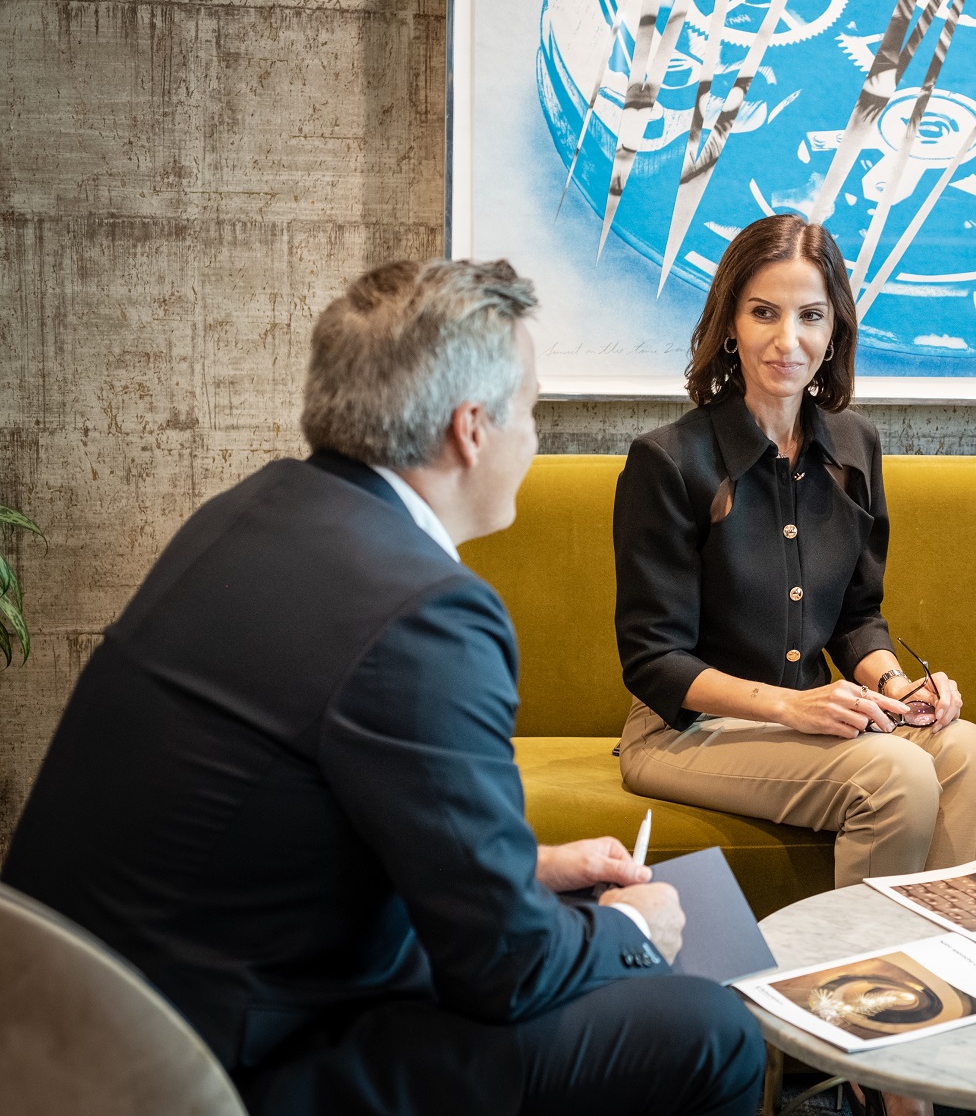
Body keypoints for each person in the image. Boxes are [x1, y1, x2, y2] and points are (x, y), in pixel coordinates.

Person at [2, 259, 763, 1116]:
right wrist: (632, 929)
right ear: (471, 428)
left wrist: (526, 870)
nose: (536, 438)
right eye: (535, 410)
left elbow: (302, 814)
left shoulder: (244, 515)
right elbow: (506, 972)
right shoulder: (427, 611)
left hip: (59, 1025)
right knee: (708, 1027)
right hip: (203, 1071)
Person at [613, 213, 976, 889]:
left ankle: (947, 975)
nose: (787, 340)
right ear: (730, 323)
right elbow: (654, 661)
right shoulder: (669, 462)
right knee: (896, 771)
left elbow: (856, 617)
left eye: (810, 315)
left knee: (968, 749)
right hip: (685, 731)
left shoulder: (855, 446)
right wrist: (793, 706)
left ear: (835, 330)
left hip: (807, 716)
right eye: (764, 312)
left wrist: (895, 687)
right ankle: (858, 987)